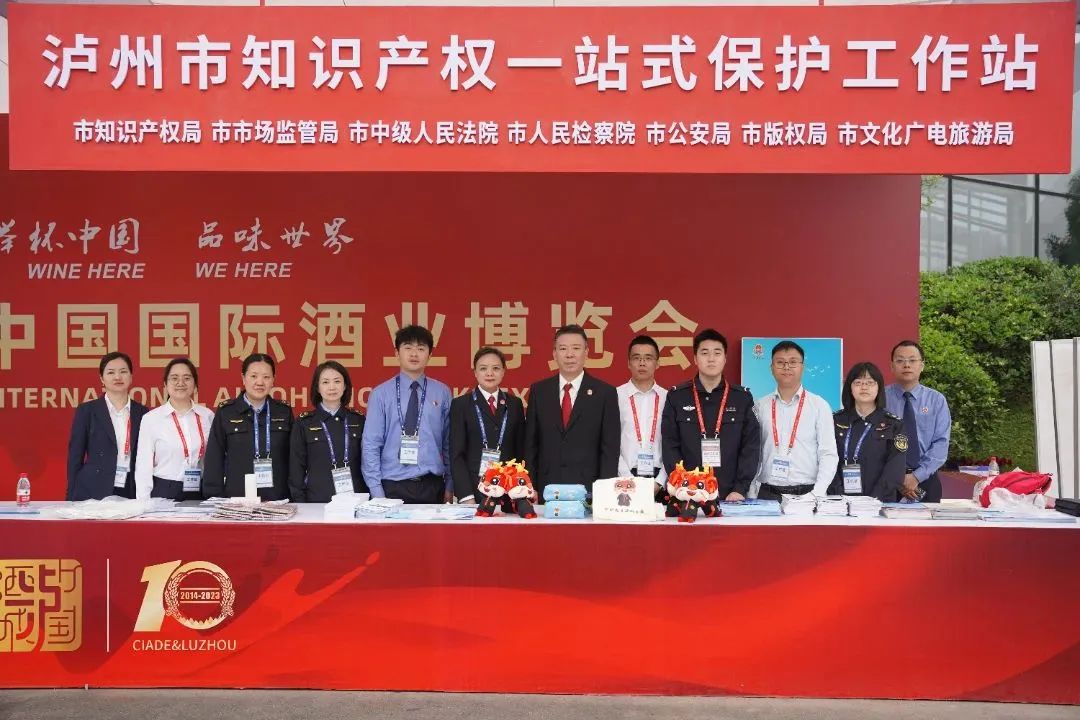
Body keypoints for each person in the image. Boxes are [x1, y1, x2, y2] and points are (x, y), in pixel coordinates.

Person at [661, 329, 760, 501]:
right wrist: (682, 485)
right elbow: (670, 445)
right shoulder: (677, 396)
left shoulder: (741, 398)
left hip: (731, 495)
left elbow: (750, 446)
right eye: (705, 353)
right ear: (695, 359)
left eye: (717, 353)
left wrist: (740, 489)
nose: (711, 358)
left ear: (725, 358)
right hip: (688, 494)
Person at [524, 324, 620, 498]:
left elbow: (610, 449)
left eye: (576, 348)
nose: (569, 354)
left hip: (589, 491)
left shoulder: (605, 393)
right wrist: (530, 486)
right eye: (563, 349)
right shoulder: (539, 391)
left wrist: (604, 492)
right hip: (547, 489)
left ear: (586, 352)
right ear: (554, 354)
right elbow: (531, 444)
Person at [361, 325, 452, 504]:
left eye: (421, 349)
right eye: (408, 347)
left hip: (432, 484)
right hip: (391, 485)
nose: (414, 354)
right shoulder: (381, 394)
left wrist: (450, 485)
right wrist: (377, 492)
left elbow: (449, 443)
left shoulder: (442, 392)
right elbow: (371, 444)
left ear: (430, 355)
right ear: (397, 353)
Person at [752, 341, 838, 501]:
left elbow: (828, 453)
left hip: (807, 494)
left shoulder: (819, 405)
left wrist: (817, 492)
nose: (786, 367)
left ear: (802, 367)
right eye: (780, 362)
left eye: (793, 362)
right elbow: (753, 452)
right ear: (771, 368)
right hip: (767, 494)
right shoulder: (760, 406)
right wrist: (751, 492)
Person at [202, 353, 293, 500]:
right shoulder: (227, 411)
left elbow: (293, 456)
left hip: (278, 498)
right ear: (243, 378)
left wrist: (294, 494)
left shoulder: (283, 411)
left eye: (266, 377)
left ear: (273, 380)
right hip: (237, 498)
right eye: (254, 376)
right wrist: (214, 496)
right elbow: (215, 456)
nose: (260, 382)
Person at [66, 351, 149, 500]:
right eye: (111, 372)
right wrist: (71, 495)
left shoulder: (143, 413)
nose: (117, 377)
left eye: (123, 371)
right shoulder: (87, 411)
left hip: (131, 487)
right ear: (102, 379)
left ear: (131, 377)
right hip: (94, 487)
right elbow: (75, 457)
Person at [449, 347, 526, 503]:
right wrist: (466, 495)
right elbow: (457, 455)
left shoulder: (514, 404)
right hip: (474, 490)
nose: (489, 373)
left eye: (496, 368)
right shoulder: (461, 404)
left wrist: (519, 490)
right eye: (483, 368)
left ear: (503, 372)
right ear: (475, 373)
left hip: (509, 492)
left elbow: (520, 452)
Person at [134, 357, 215, 501]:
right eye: (174, 378)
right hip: (165, 489)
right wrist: (143, 502)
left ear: (195, 384)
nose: (180, 383)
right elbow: (143, 465)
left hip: (200, 490)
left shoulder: (207, 416)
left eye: (187, 378)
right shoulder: (151, 419)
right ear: (165, 384)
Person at [289, 361, 367, 503]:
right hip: (316, 500)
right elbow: (296, 467)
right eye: (325, 382)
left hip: (356, 499)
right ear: (317, 388)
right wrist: (300, 502)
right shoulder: (304, 423)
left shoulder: (359, 420)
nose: (332, 387)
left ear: (345, 386)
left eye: (337, 381)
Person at [829, 362, 907, 501]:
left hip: (879, 503)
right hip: (838, 503)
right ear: (850, 388)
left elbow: (895, 468)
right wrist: (839, 496)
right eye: (858, 382)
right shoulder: (834, 421)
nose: (864, 387)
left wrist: (872, 500)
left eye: (870, 383)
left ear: (879, 388)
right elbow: (825, 460)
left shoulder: (894, 424)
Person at [886, 340, 952, 503]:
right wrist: (896, 476)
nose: (906, 365)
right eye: (900, 360)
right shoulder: (880, 398)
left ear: (922, 365)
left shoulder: (936, 400)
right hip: (888, 480)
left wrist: (916, 477)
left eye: (912, 360)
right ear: (892, 366)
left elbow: (941, 443)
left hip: (926, 479)